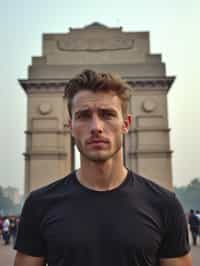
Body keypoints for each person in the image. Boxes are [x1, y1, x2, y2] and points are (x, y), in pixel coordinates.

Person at [14, 70, 192, 266]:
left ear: (125, 123)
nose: (96, 126)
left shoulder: (165, 205)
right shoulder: (39, 204)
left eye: (107, 114)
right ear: (70, 126)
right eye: (83, 116)